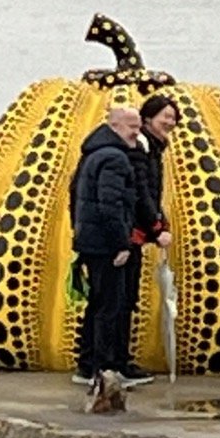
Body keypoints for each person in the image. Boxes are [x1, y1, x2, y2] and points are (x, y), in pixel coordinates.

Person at [70, 106, 139, 405]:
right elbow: (110, 205)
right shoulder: (114, 157)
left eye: (138, 126)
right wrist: (121, 243)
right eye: (131, 127)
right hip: (105, 244)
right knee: (110, 305)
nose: (136, 132)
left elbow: (74, 195)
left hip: (89, 241)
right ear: (114, 126)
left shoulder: (92, 153)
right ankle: (104, 367)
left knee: (96, 303)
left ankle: (87, 364)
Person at [115, 98, 176, 384]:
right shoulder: (140, 150)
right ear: (148, 118)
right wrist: (155, 225)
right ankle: (114, 363)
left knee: (122, 299)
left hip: (133, 231)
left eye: (174, 118)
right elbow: (140, 192)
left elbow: (148, 192)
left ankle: (109, 361)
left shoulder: (151, 149)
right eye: (166, 116)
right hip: (128, 234)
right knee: (119, 300)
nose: (171, 122)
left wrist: (158, 220)